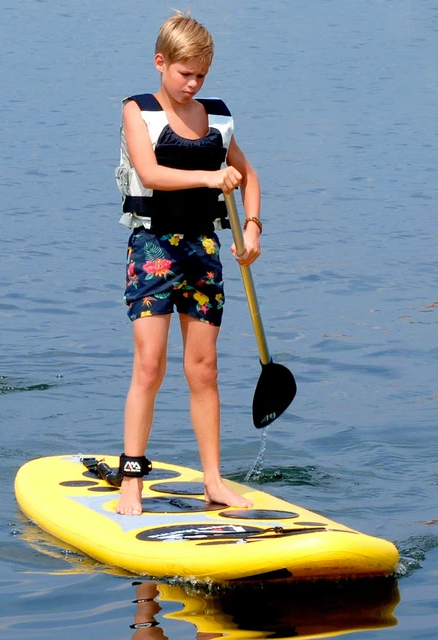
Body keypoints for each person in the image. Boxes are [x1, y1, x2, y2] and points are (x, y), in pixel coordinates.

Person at [115, 10, 262, 515]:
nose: (193, 83)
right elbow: (150, 172)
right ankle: (130, 479)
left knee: (204, 369)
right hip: (154, 249)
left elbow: (250, 176)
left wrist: (254, 226)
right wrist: (209, 179)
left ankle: (214, 482)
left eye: (201, 74)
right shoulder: (138, 110)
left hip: (203, 251)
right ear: (162, 63)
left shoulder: (217, 117)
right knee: (150, 366)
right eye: (184, 73)